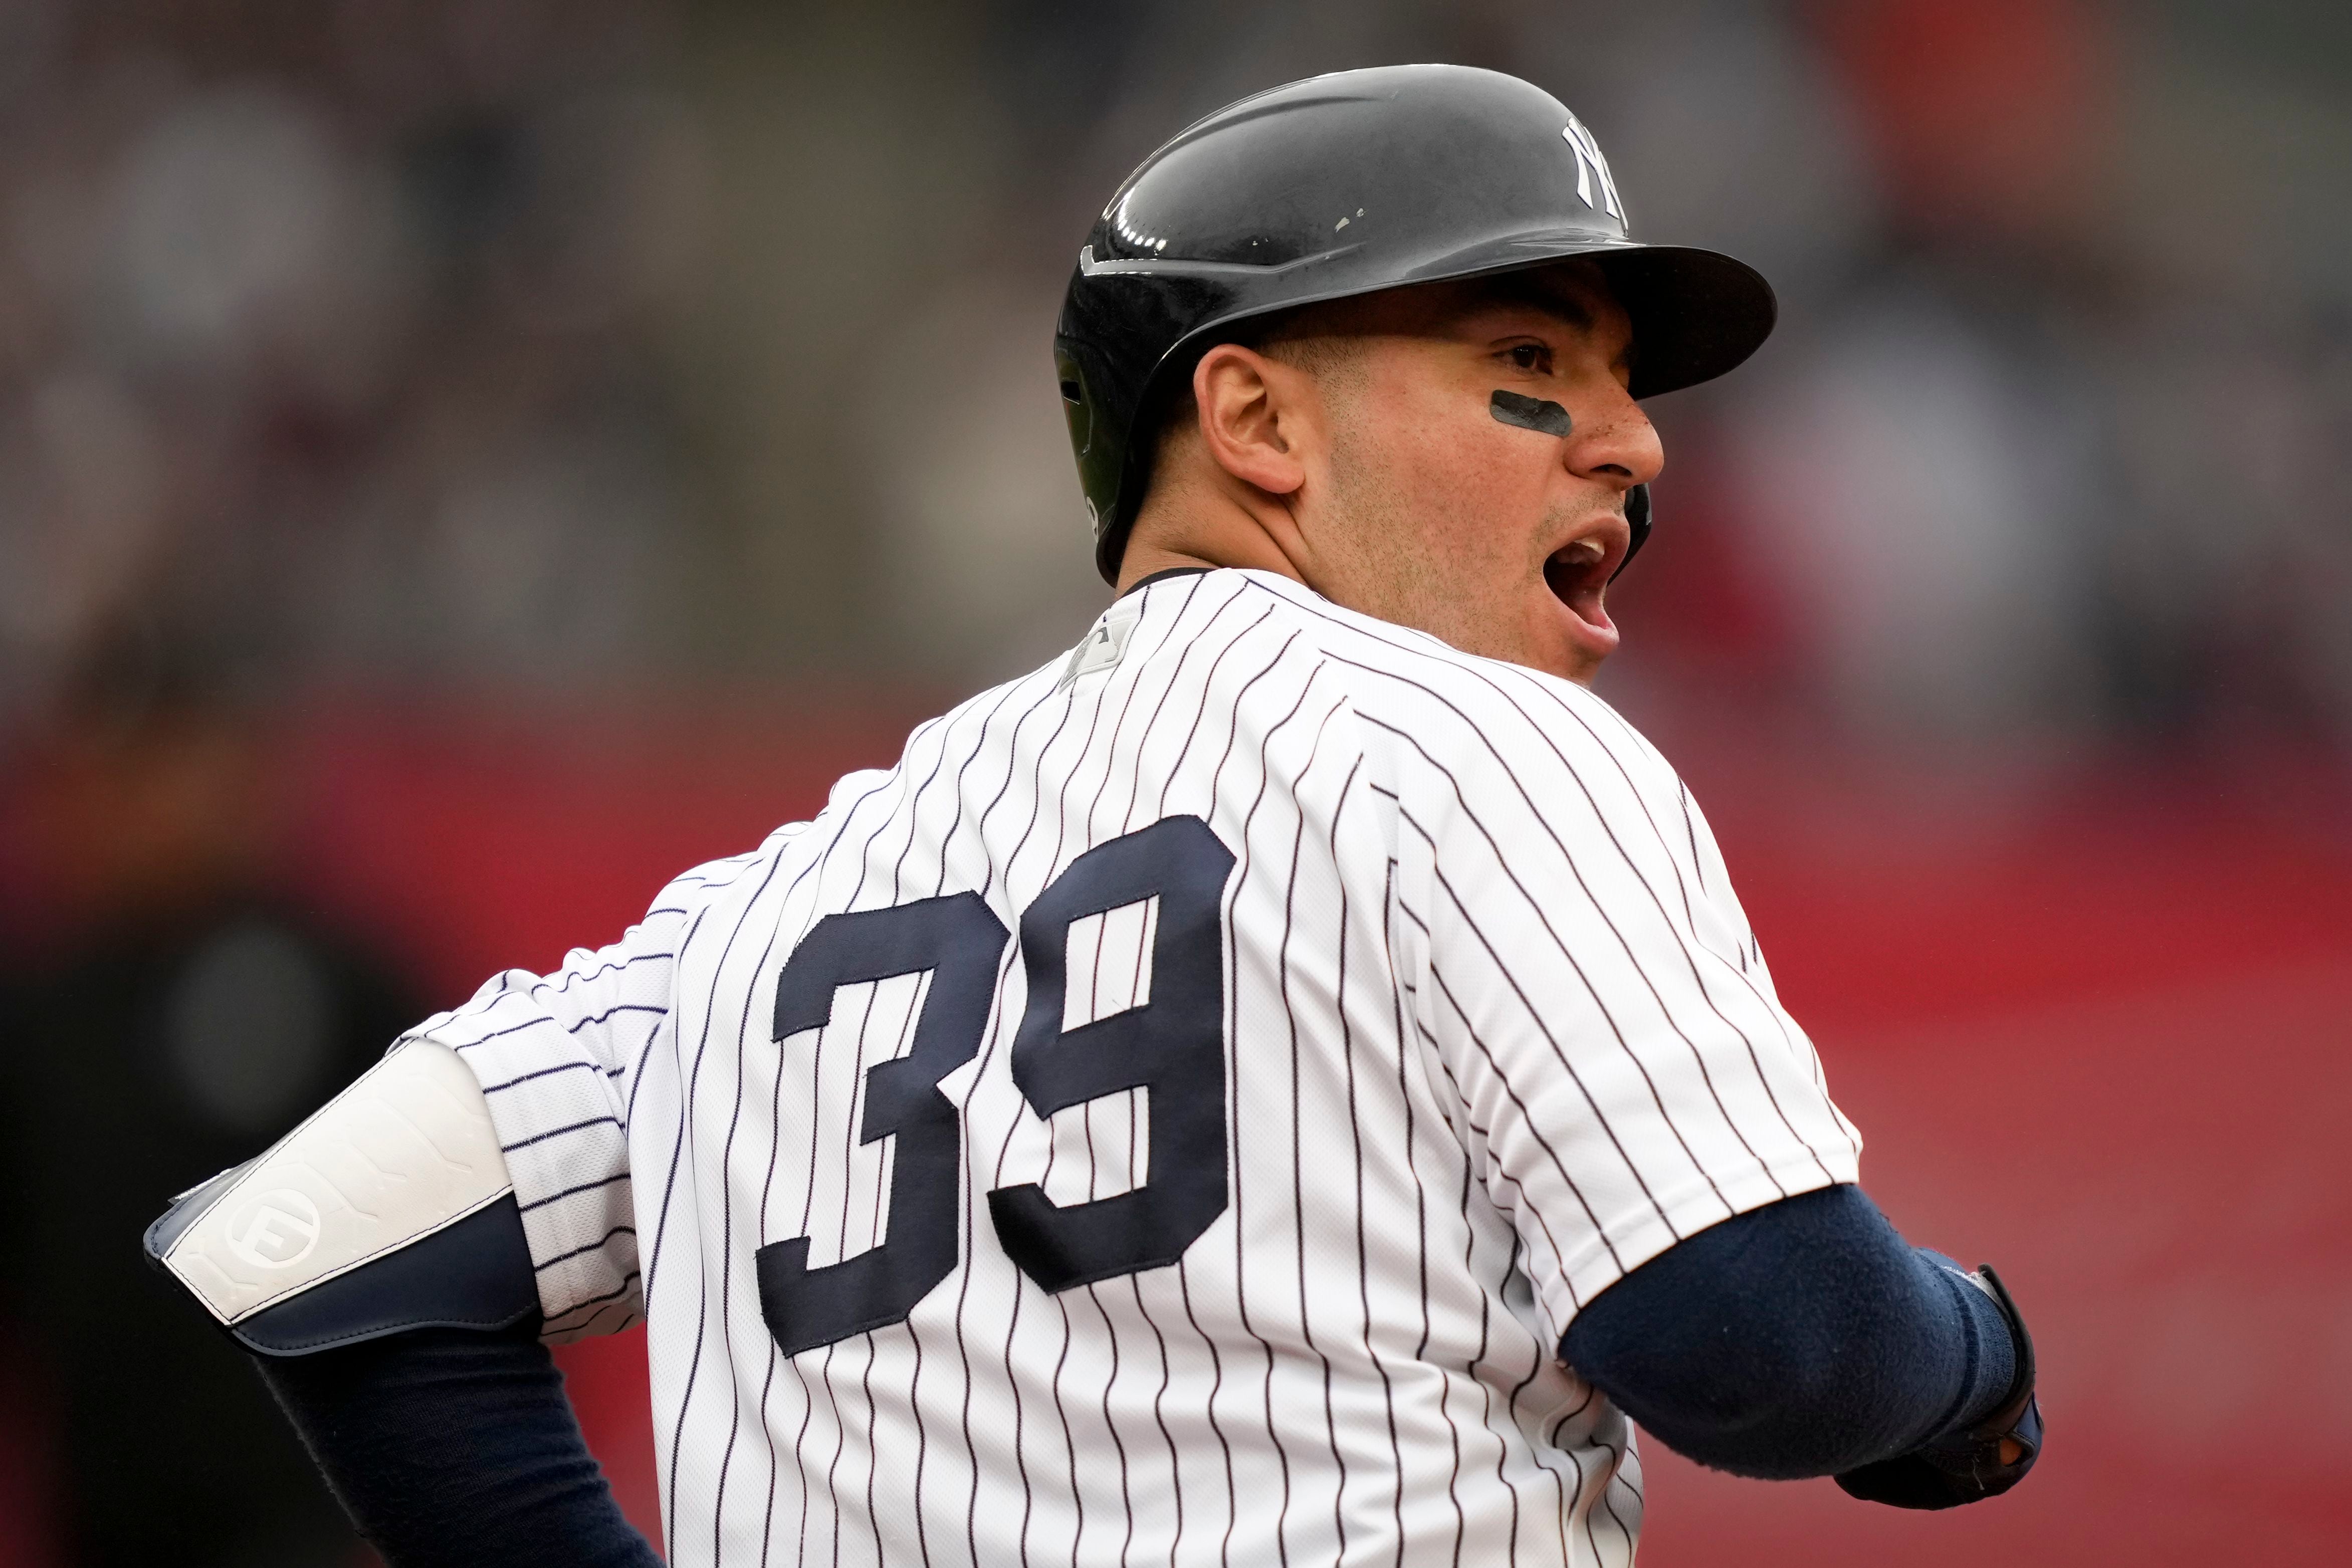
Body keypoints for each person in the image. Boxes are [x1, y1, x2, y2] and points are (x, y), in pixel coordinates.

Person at [145, 66, 2039, 1567]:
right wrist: (1974, 1353)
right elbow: (1765, 1338)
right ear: (1257, 422)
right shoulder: (1465, 747)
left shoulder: (767, 911)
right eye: (1525, 369)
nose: (1630, 440)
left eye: (1622, 388)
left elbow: (316, 1242)